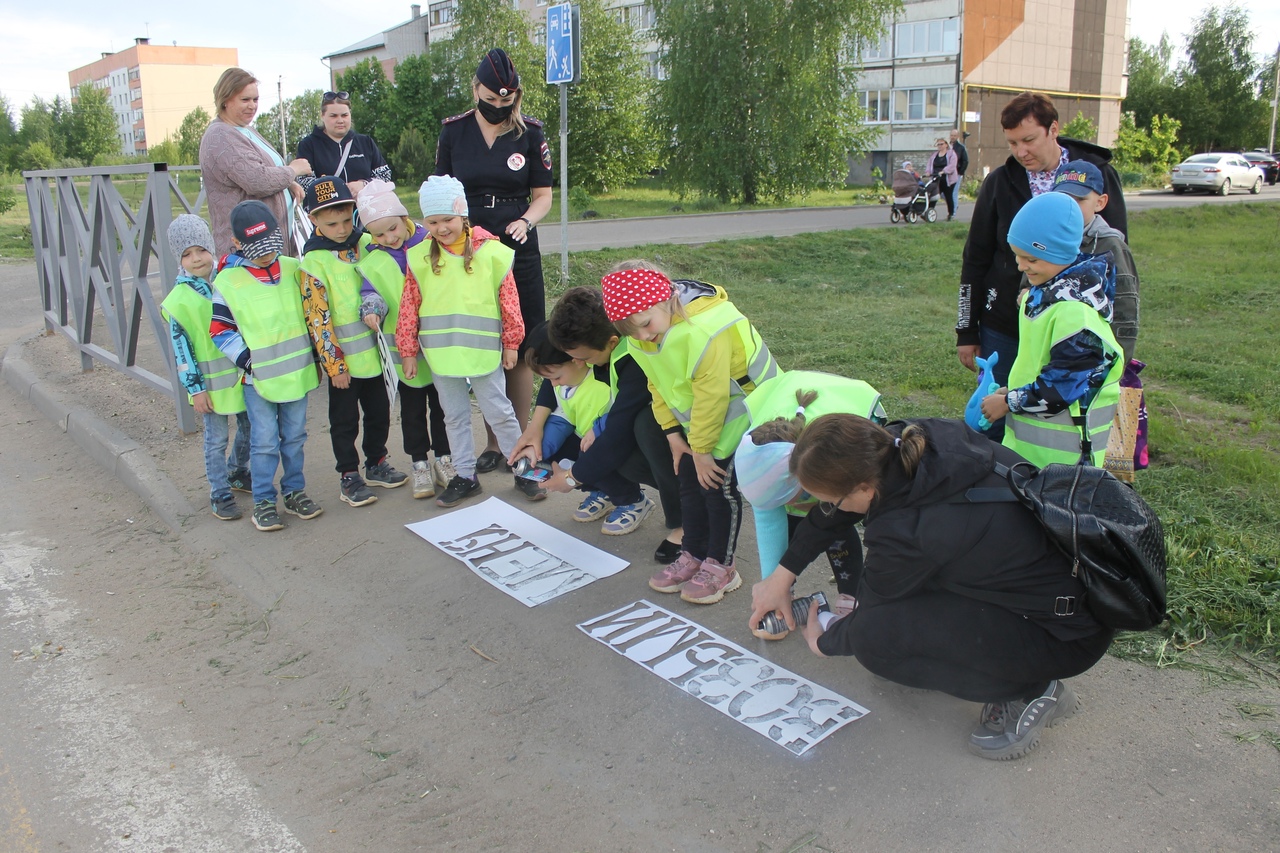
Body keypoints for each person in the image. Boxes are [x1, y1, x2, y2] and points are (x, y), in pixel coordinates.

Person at [763, 414, 1112, 760]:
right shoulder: (908, 440)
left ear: (864, 488)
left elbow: (871, 618)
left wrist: (824, 641)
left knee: (874, 643)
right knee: (897, 616)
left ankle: (1031, 689)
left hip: (1061, 638)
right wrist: (782, 575)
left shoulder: (908, 532)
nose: (829, 509)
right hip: (1075, 594)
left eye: (830, 501)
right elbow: (838, 514)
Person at [602, 265, 779, 604]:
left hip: (745, 413)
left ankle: (722, 566)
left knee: (717, 487)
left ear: (667, 300)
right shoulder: (644, 333)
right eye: (631, 332)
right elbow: (658, 384)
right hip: (700, 424)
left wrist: (701, 451)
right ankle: (694, 553)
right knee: (687, 479)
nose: (642, 337)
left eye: (645, 325)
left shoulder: (704, 331)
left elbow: (714, 396)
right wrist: (672, 434)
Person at [955, 92, 1127, 440]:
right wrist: (966, 330)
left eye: (1029, 140)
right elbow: (975, 258)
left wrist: (1119, 338)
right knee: (995, 414)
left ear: (1053, 130)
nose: (1021, 152)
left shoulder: (1095, 178)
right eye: (1013, 143)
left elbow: (1115, 258)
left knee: (1060, 412)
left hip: (1070, 328)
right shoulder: (999, 183)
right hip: (1005, 323)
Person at [435, 48, 554, 473]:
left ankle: (518, 441)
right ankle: (492, 444)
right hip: (467, 245)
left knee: (519, 344)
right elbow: (440, 191)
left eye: (507, 100)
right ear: (476, 90)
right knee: (484, 340)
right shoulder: (454, 132)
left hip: (516, 242)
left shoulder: (530, 133)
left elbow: (543, 196)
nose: (499, 106)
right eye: (490, 98)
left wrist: (526, 220)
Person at [395, 175, 525, 508]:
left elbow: (509, 301)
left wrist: (512, 343)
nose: (441, 228)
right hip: (442, 355)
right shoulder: (419, 257)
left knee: (500, 413)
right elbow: (409, 305)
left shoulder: (492, 253)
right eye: (432, 221)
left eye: (448, 219)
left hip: (483, 353)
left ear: (463, 215)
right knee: (453, 417)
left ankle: (524, 470)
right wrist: (407, 350)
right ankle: (465, 475)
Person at [735, 371, 886, 639]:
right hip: (800, 441)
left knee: (837, 517)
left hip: (855, 421)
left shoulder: (839, 456)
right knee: (800, 520)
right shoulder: (758, 457)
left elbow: (834, 518)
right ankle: (784, 593)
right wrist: (775, 586)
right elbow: (768, 520)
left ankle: (852, 595)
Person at [978, 192, 1124, 467]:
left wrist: (1010, 402)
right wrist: (1011, 390)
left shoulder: (1075, 315)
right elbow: (1040, 365)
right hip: (1032, 456)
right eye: (1017, 256)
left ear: (1061, 253)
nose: (1021, 266)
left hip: (1068, 463)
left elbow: (1060, 388)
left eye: (1031, 259)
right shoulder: (1041, 297)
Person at [543, 285, 686, 562]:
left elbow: (620, 431)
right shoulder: (604, 343)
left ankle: (687, 520)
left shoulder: (633, 358)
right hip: (664, 417)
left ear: (611, 342)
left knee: (643, 429)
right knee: (616, 444)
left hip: (695, 426)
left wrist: (572, 478)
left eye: (583, 358)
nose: (577, 363)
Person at [210, 201, 322, 531]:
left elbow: (312, 315)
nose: (266, 255)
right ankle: (263, 500)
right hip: (257, 380)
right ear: (237, 243)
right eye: (258, 250)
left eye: (271, 247)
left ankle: (294, 491)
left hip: (297, 374)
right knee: (264, 442)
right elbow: (220, 330)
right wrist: (248, 362)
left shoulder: (293, 268)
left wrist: (317, 359)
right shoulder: (228, 282)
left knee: (295, 437)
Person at [298, 176, 407, 508]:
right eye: (332, 224)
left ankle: (376, 462)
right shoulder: (313, 262)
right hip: (344, 364)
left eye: (347, 220)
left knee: (379, 413)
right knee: (345, 421)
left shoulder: (368, 242)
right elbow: (317, 318)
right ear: (314, 220)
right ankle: (348, 475)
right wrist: (334, 367)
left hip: (378, 356)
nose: (342, 229)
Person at [355, 181, 455, 500]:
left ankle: (444, 458)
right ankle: (419, 463)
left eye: (392, 228)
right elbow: (371, 293)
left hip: (438, 345)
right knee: (411, 413)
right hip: (404, 353)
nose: (389, 238)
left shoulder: (429, 243)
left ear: (404, 217)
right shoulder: (373, 262)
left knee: (443, 407)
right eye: (379, 234)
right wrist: (371, 310)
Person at [513, 323, 656, 535]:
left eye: (556, 377)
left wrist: (598, 429)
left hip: (613, 440)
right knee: (561, 453)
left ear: (577, 359)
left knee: (591, 457)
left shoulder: (604, 375)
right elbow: (561, 417)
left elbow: (621, 414)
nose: (553, 385)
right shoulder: (563, 383)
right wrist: (541, 449)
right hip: (584, 436)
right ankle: (603, 492)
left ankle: (632, 501)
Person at [160, 214, 252, 520]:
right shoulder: (179, 300)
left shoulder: (227, 279)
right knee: (216, 440)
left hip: (241, 376)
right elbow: (182, 351)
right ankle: (219, 492)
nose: (197, 258)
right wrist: (196, 389)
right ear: (179, 259)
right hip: (210, 387)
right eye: (187, 254)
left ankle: (237, 470)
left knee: (250, 427)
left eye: (201, 250)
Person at [200, 68, 312, 257]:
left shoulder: (245, 130)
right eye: (245, 100)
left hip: (268, 244)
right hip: (248, 249)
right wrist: (293, 170)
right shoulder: (221, 136)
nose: (252, 106)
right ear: (225, 100)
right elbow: (257, 180)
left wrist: (288, 183)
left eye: (255, 99)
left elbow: (264, 169)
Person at [1050, 160, 1140, 365]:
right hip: (1050, 350)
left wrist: (1118, 361)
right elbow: (1026, 287)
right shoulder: (1046, 239)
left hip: (1094, 358)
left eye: (1080, 200)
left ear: (1100, 202)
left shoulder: (1111, 246)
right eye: (1063, 199)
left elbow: (1126, 309)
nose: (1070, 207)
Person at [296, 91, 392, 197]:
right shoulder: (308, 145)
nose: (340, 120)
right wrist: (339, 189)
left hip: (366, 205)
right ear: (322, 116)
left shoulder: (365, 142)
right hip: (328, 207)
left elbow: (385, 175)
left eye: (344, 115)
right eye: (333, 116)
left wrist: (364, 184)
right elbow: (304, 182)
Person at [925, 138, 959, 220]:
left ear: (946, 144)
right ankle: (929, 212)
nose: (940, 146)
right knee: (934, 195)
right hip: (936, 178)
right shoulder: (934, 155)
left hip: (948, 179)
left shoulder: (951, 154)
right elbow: (929, 164)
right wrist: (928, 172)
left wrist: (944, 171)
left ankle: (951, 214)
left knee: (948, 196)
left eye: (941, 144)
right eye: (938, 144)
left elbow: (952, 165)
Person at [950, 128, 969, 208]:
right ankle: (954, 205)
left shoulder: (961, 147)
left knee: (954, 192)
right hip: (947, 173)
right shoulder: (947, 146)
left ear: (957, 136)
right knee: (945, 192)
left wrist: (960, 172)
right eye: (951, 135)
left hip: (957, 173)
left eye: (954, 135)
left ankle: (953, 210)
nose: (953, 137)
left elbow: (965, 160)